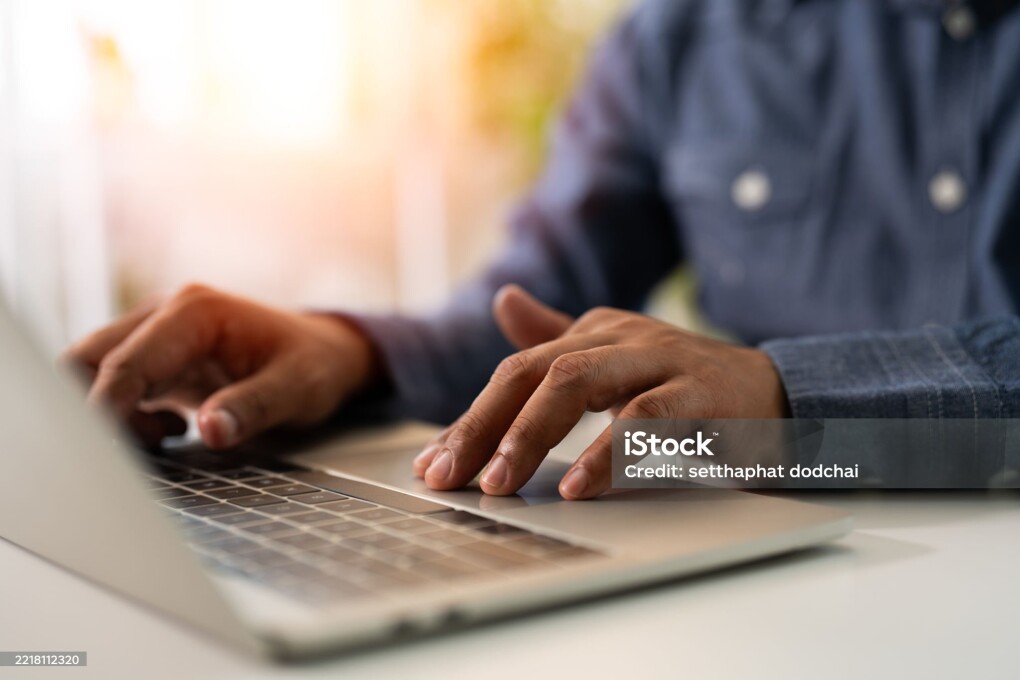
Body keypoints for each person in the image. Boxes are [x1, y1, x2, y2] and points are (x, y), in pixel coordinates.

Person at [65, 0, 1020, 499]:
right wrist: (350, 351)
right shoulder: (680, 38)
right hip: (775, 574)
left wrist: (777, 389)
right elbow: (536, 318)